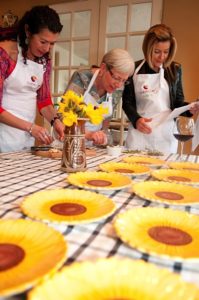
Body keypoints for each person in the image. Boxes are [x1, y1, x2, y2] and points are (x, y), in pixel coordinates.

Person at [122, 24, 199, 153]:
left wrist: (190, 109)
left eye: (166, 51)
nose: (162, 57)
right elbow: (127, 102)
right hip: (139, 135)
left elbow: (177, 104)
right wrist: (136, 119)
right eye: (157, 51)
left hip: (166, 137)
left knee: (164, 172)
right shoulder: (134, 69)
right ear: (148, 48)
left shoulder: (175, 69)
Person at [0, 6, 65, 152]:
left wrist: (56, 121)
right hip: (3, 136)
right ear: (28, 31)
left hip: (25, 137)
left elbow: (44, 101)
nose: (47, 49)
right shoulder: (4, 54)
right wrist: (31, 128)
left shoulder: (44, 61)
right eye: (43, 42)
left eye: (52, 43)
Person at [65, 48, 135, 145]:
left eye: (123, 80)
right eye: (117, 78)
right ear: (103, 68)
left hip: (92, 147)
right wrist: (89, 134)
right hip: (67, 143)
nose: (119, 85)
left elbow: (105, 124)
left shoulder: (117, 90)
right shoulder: (81, 78)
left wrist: (103, 138)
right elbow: (64, 117)